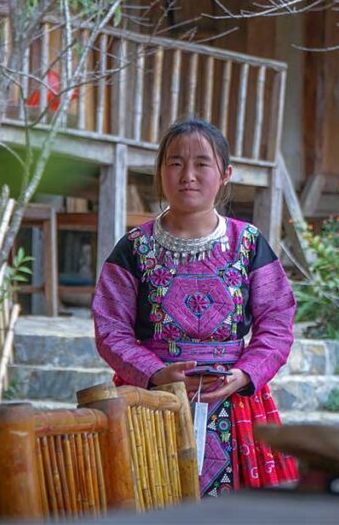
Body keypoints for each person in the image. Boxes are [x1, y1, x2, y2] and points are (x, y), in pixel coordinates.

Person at [91, 117, 299, 497]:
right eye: (175, 163)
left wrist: (244, 375)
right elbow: (110, 330)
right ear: (160, 172)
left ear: (225, 174)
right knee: (148, 499)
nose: (188, 174)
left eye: (202, 163)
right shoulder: (134, 248)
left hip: (234, 400)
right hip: (151, 400)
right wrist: (157, 374)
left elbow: (277, 324)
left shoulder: (249, 244)